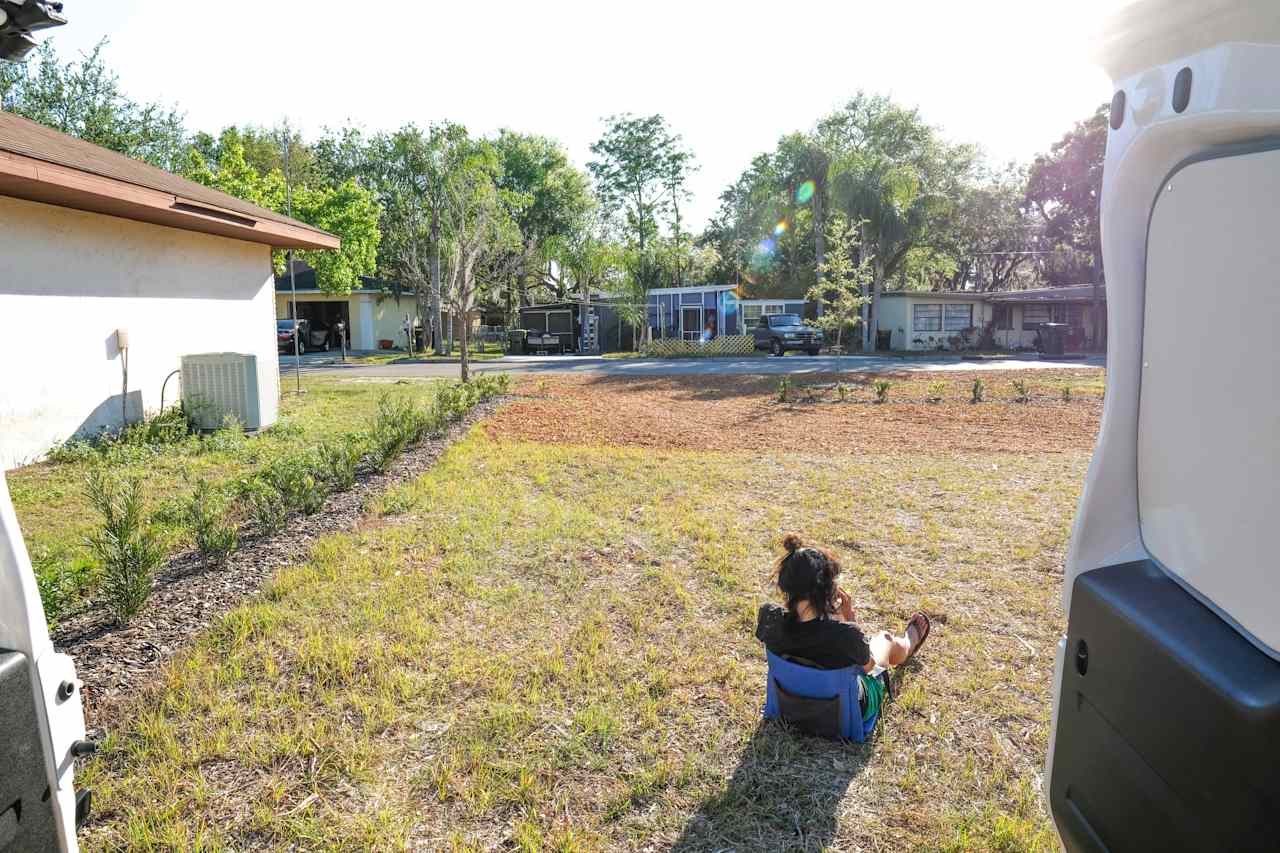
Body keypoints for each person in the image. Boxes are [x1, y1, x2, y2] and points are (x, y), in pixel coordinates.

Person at [756, 533, 930, 724]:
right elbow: (869, 668)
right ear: (829, 589)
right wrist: (849, 618)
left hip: (788, 704)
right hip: (844, 714)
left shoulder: (769, 618)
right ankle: (908, 642)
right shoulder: (846, 635)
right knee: (884, 640)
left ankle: (905, 643)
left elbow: (806, 634)